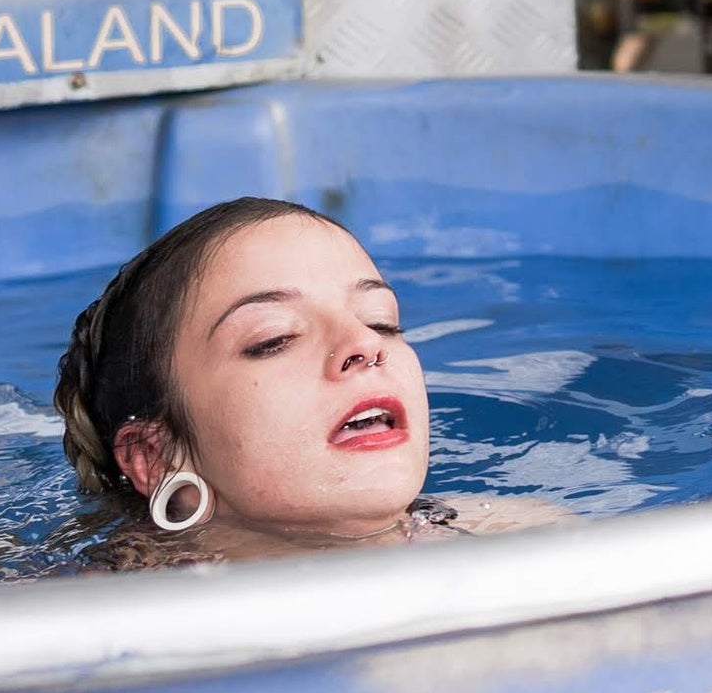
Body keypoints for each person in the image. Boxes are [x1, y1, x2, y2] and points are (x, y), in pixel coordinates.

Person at [52, 197, 558, 559]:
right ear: (156, 456)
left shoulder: (529, 540)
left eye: (381, 321)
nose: (366, 345)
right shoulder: (83, 621)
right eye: (275, 338)